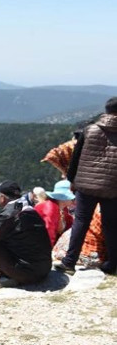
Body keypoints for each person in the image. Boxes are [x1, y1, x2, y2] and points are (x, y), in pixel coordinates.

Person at [55, 97, 117, 275]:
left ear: (106, 110)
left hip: (85, 185)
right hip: (112, 187)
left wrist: (72, 181)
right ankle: (112, 264)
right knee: (111, 225)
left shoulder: (90, 130)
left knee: (81, 222)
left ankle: (69, 262)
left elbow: (75, 158)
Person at [0, 180, 52, 284]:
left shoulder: (11, 213)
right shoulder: (28, 209)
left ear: (2, 198)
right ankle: (3, 274)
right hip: (44, 269)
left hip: (27, 274)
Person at [34, 179, 75, 246]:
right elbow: (49, 233)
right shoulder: (50, 207)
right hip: (40, 246)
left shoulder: (63, 209)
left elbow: (71, 226)